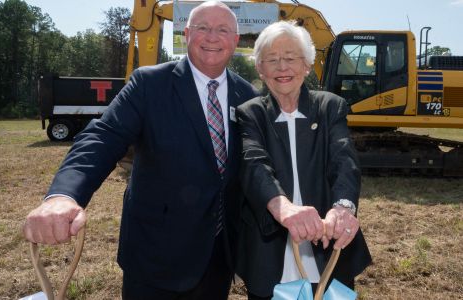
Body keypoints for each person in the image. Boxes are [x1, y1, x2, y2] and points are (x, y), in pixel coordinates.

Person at [23, 2, 258, 299]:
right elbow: (104, 135)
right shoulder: (150, 83)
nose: (212, 36)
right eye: (203, 28)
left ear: (236, 41)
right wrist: (63, 195)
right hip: (156, 254)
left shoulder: (248, 95)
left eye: (223, 29)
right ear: (186, 34)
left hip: (218, 254)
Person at [235, 21, 372, 299]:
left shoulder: (329, 106)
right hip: (269, 250)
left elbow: (344, 160)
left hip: (327, 243)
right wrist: (282, 207)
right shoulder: (250, 114)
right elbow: (253, 163)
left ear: (307, 65)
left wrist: (343, 207)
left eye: (290, 58)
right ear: (260, 69)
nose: (282, 67)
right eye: (271, 60)